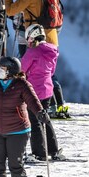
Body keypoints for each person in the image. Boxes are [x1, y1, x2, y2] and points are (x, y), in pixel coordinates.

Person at [5, 0, 69, 118]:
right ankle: (59, 106)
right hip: (53, 36)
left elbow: (10, 10)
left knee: (40, 73)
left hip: (38, 38)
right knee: (49, 72)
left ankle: (50, 106)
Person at [21, 24, 62, 161]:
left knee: (35, 121)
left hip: (34, 91)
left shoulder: (32, 52)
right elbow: (52, 71)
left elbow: (21, 69)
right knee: (45, 118)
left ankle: (39, 153)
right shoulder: (53, 51)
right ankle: (53, 149)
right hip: (48, 90)